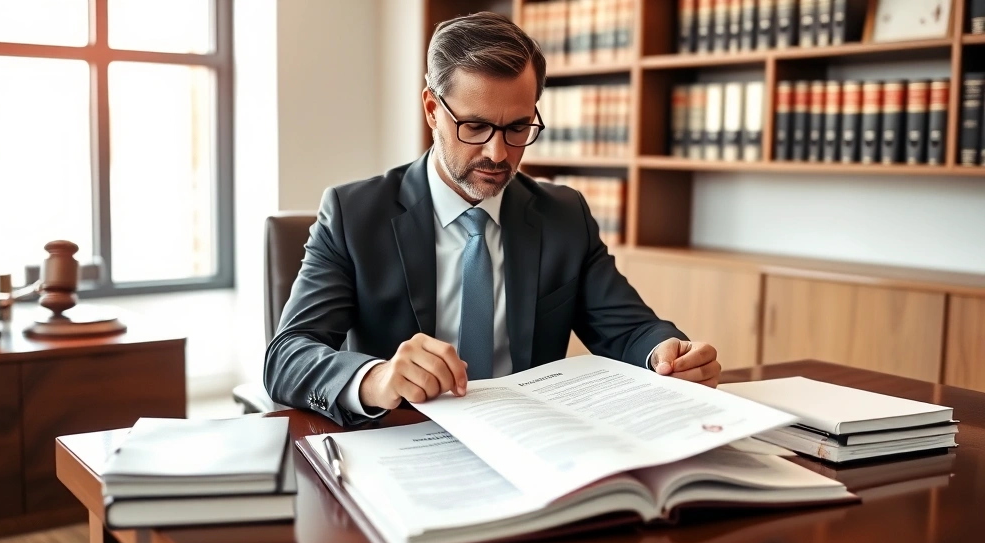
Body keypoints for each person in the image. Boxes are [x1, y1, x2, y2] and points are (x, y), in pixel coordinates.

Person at [263, 12, 720, 426]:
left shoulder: (564, 215)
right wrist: (376, 378)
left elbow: (632, 330)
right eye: (475, 127)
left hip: (531, 441)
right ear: (431, 110)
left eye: (518, 128)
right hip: (403, 437)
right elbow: (287, 357)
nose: (498, 153)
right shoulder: (354, 214)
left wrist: (667, 354)